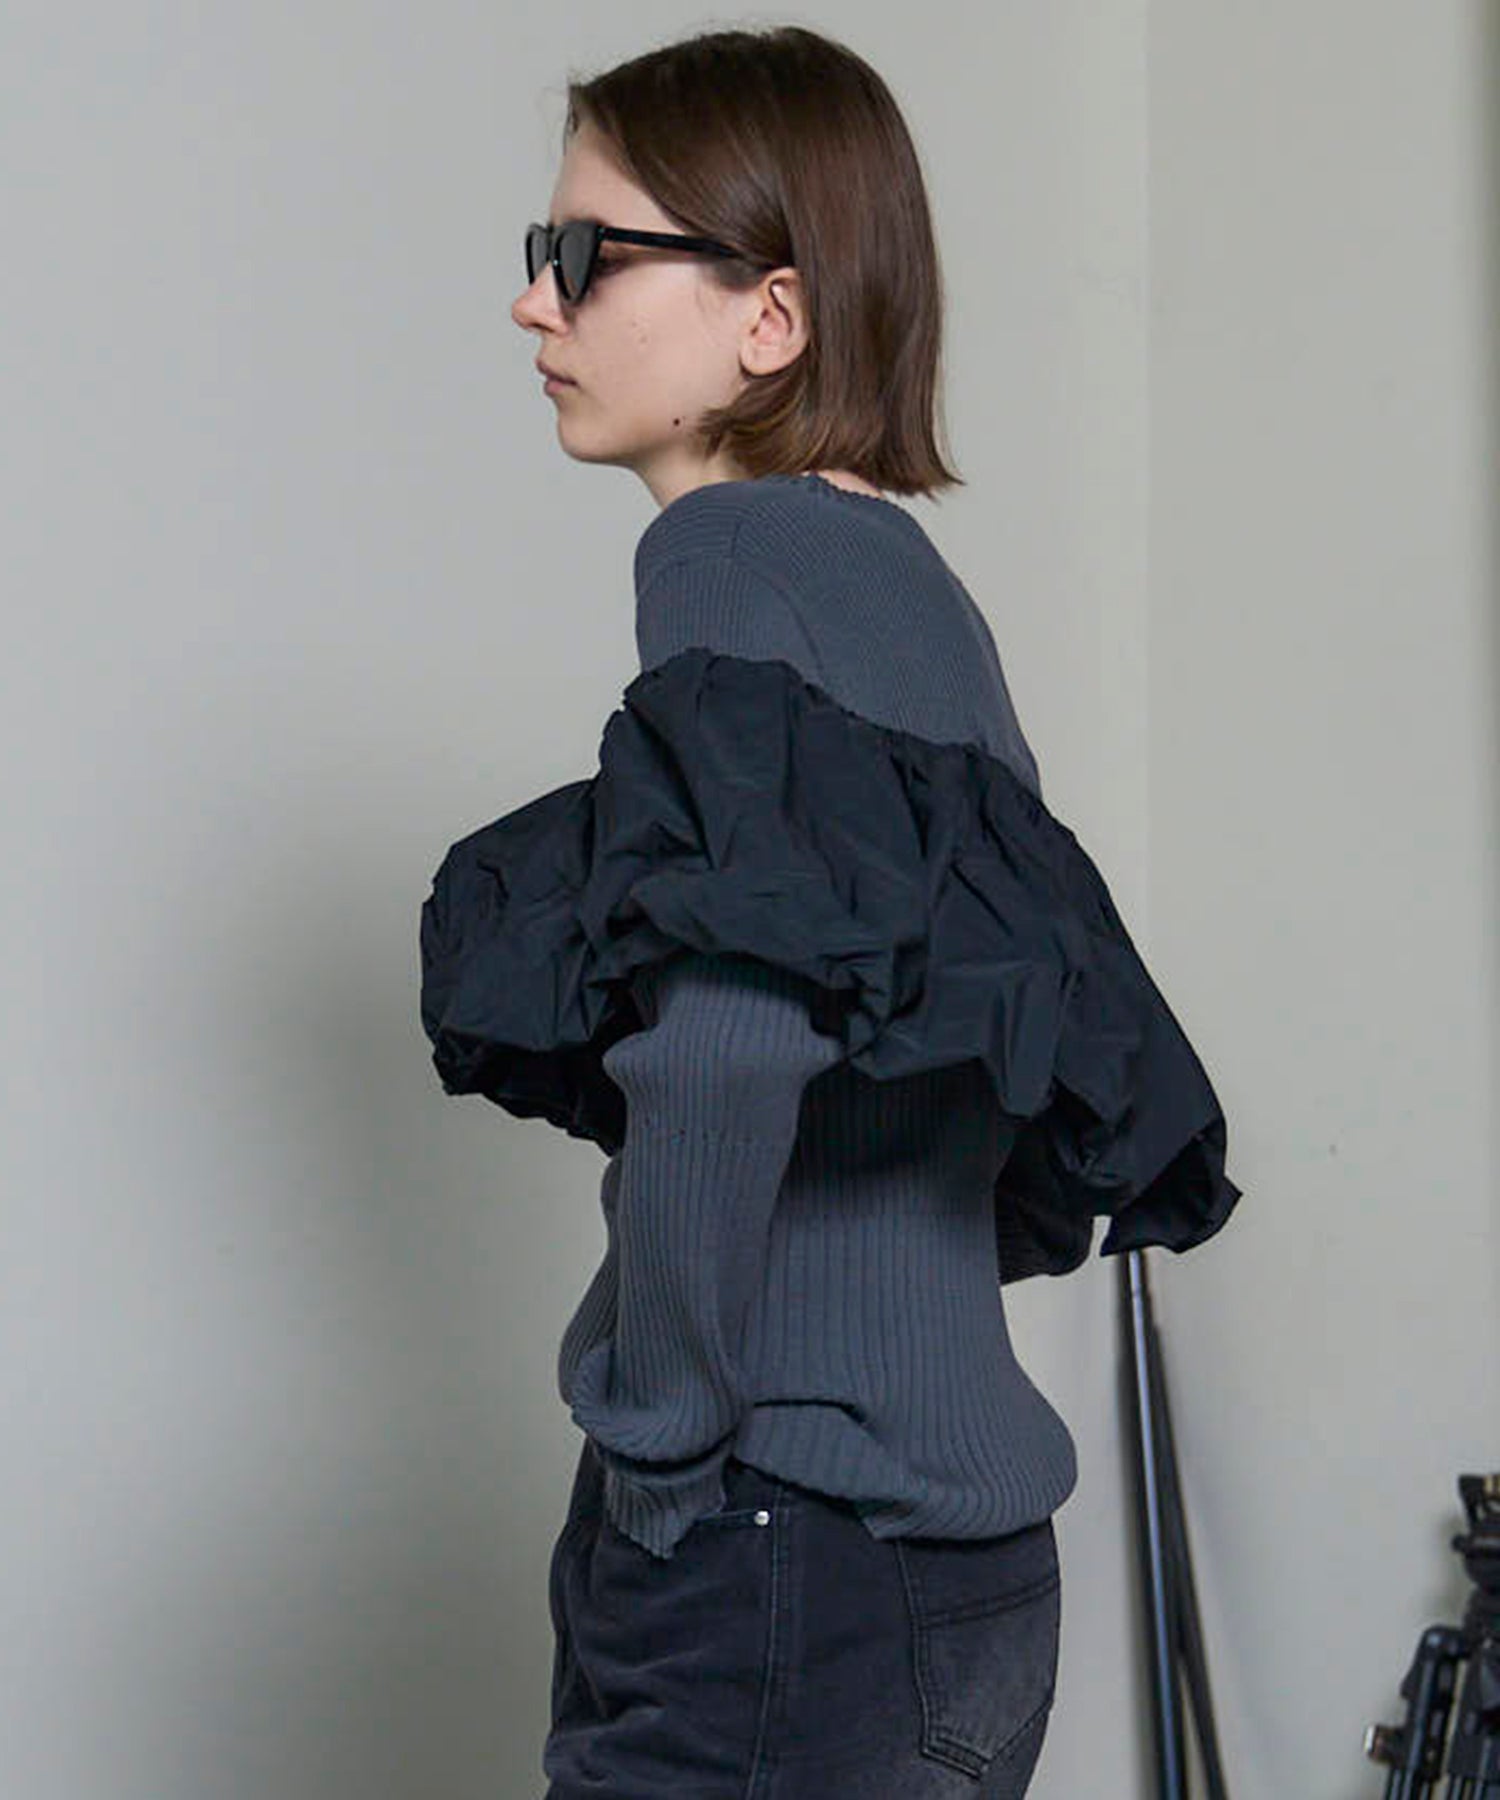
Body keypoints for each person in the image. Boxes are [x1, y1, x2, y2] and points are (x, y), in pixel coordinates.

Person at [421, 23, 1239, 1799]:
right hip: (967, 1573)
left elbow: (728, 1044)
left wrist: (658, 1442)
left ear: (770, 317)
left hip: (778, 1554)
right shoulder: (914, 598)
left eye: (584, 252)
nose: (535, 301)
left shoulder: (726, 558)